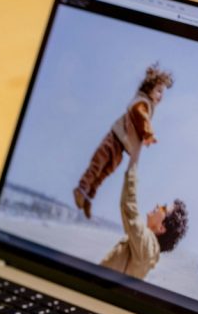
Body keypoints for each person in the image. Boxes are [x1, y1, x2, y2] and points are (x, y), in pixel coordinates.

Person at [74, 64, 174, 219]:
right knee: (98, 164)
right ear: (149, 88)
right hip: (114, 138)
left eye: (163, 93)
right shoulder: (142, 101)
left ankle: (89, 197)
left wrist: (144, 139)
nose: (161, 96)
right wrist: (148, 133)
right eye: (159, 91)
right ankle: (81, 189)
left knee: (106, 171)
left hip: (122, 146)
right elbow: (139, 115)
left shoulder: (149, 107)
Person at [99, 145, 189, 280]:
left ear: (161, 228)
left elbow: (129, 208)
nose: (158, 205)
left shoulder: (148, 248)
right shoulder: (145, 247)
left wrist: (134, 158)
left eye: (164, 208)